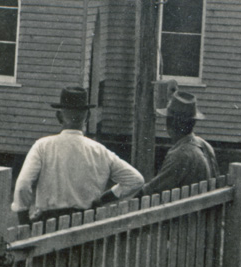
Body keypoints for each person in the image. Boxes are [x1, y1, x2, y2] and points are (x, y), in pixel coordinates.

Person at [12, 86, 144, 225]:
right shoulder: (100, 151)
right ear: (88, 117)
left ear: (58, 116)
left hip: (49, 223)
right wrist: (103, 199)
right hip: (85, 224)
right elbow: (136, 180)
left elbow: (22, 185)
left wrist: (24, 222)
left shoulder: (42, 146)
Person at [140, 91, 218, 196]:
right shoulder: (205, 145)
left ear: (171, 122)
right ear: (193, 122)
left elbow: (152, 190)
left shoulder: (180, 154)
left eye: (168, 118)